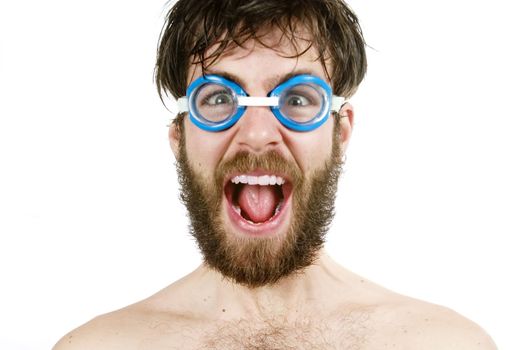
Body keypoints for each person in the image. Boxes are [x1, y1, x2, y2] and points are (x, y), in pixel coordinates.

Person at [54, 0, 497, 348]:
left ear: (340, 134)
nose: (258, 134)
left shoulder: (443, 343)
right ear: (179, 137)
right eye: (218, 98)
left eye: (298, 99)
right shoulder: (99, 346)